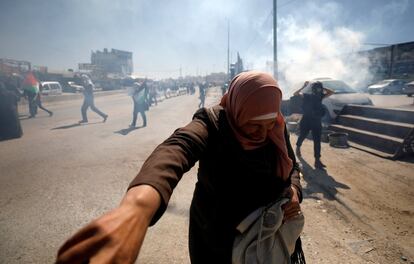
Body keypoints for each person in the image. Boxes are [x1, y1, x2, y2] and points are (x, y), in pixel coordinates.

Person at [56, 72, 304, 264]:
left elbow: (291, 166)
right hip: (219, 237)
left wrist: (293, 190)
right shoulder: (212, 122)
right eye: (253, 126)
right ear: (238, 110)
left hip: (269, 233)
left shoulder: (275, 126)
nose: (262, 134)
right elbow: (176, 149)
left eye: (269, 125)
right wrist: (136, 210)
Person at [294, 81, 334, 169]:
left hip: (316, 121)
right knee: (303, 135)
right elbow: (296, 93)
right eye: (317, 88)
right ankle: (298, 146)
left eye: (320, 88)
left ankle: (317, 160)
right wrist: (303, 86)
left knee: (317, 141)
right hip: (306, 120)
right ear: (313, 89)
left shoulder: (320, 96)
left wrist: (323, 87)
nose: (319, 90)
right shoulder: (307, 96)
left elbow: (331, 92)